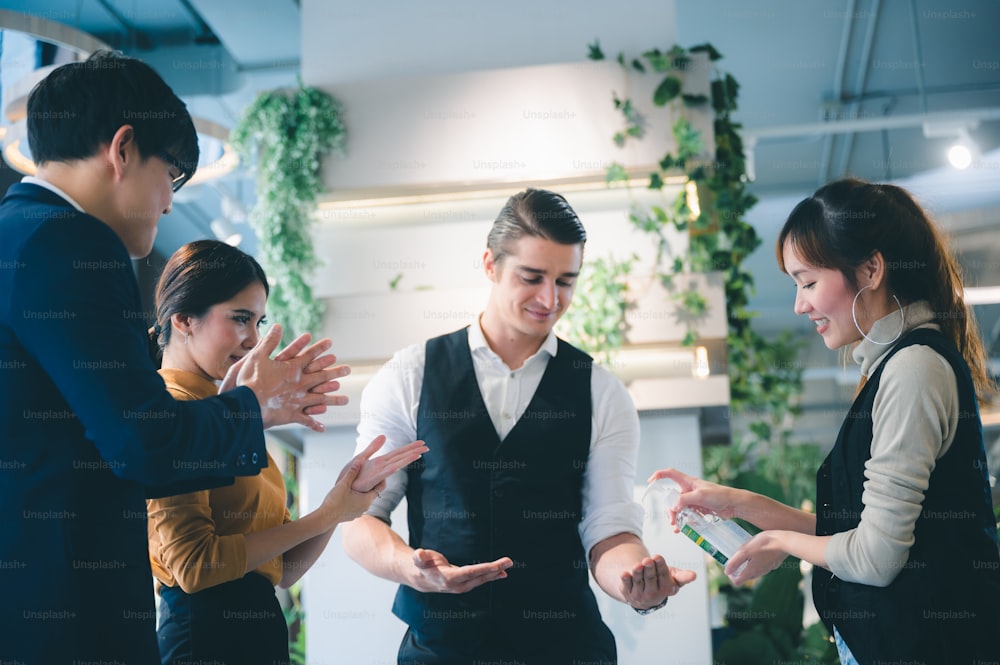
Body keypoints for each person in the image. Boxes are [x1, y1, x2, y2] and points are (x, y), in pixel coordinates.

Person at [0, 50, 348, 664]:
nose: (167, 205)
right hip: (62, 601)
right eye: (172, 177)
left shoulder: (21, 231)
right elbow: (140, 442)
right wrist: (253, 406)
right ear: (123, 149)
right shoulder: (69, 241)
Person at [652, 178, 1000, 665]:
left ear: (871, 269)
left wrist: (780, 540)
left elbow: (877, 560)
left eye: (809, 282)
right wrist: (743, 505)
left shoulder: (912, 369)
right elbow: (867, 533)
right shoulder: (895, 366)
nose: (800, 305)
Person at [341, 188, 696, 665]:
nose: (550, 299)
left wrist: (634, 584)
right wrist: (411, 568)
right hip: (444, 648)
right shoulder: (410, 375)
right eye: (532, 277)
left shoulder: (601, 392)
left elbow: (609, 528)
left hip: (566, 648)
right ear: (490, 264)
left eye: (566, 281)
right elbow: (360, 518)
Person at [145, 240, 428, 665]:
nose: (254, 340)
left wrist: (341, 505)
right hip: (204, 641)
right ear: (184, 319)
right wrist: (324, 516)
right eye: (241, 319)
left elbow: (281, 571)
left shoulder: (226, 417)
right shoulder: (172, 409)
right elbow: (196, 567)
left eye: (259, 322)